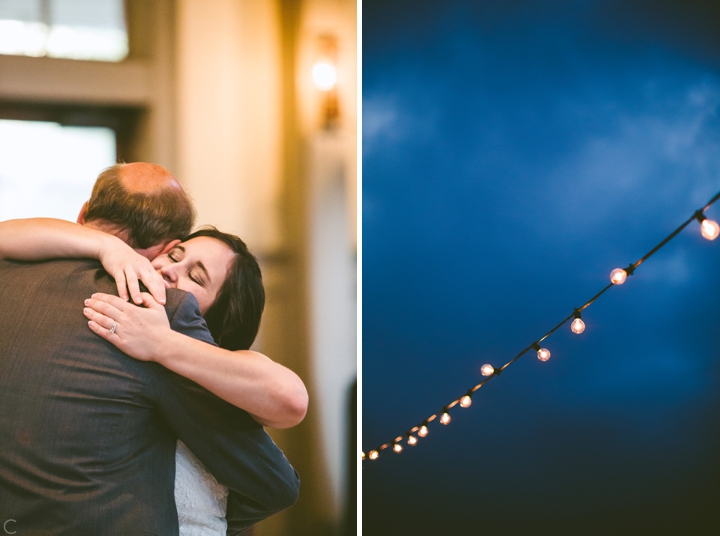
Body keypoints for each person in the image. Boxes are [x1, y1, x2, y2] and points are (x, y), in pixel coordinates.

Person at [0, 163, 300, 535]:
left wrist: (162, 343)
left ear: (80, 215)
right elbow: (274, 487)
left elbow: (289, 403)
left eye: (196, 276)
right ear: (164, 247)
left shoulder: (166, 324)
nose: (172, 273)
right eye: (175, 257)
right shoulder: (154, 309)